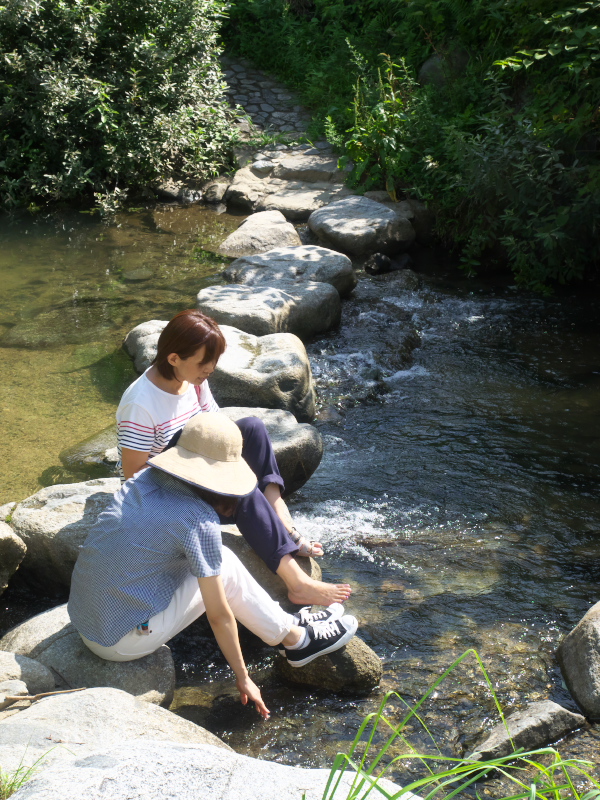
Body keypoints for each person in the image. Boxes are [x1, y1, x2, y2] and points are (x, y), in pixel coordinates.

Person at [68, 413, 358, 719]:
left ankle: (291, 623)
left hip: (86, 618)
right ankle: (297, 641)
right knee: (227, 567)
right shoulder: (196, 518)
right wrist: (243, 676)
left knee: (213, 560)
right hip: (119, 641)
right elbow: (219, 614)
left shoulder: (142, 480)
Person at [116, 309, 351, 607]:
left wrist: (223, 468)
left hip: (199, 466)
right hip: (169, 490)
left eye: (213, 362)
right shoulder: (140, 403)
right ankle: (298, 583)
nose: (210, 370)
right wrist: (220, 480)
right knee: (243, 494)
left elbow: (218, 430)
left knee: (251, 428)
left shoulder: (193, 380)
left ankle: (280, 517)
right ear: (174, 358)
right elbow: (135, 476)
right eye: (204, 362)